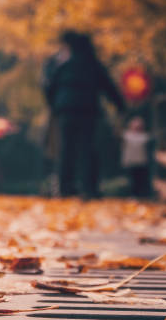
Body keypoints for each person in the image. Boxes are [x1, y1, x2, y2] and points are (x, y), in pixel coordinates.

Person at [43, 30, 125, 199]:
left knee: (66, 149)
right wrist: (120, 106)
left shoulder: (61, 64)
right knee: (87, 148)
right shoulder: (91, 62)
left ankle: (65, 188)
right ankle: (90, 188)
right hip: (88, 110)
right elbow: (107, 85)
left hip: (65, 110)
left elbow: (49, 87)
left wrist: (54, 105)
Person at [121, 116, 152, 198]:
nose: (137, 128)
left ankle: (142, 195)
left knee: (141, 180)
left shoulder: (145, 137)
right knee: (132, 181)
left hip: (141, 162)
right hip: (131, 162)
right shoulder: (126, 136)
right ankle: (133, 195)